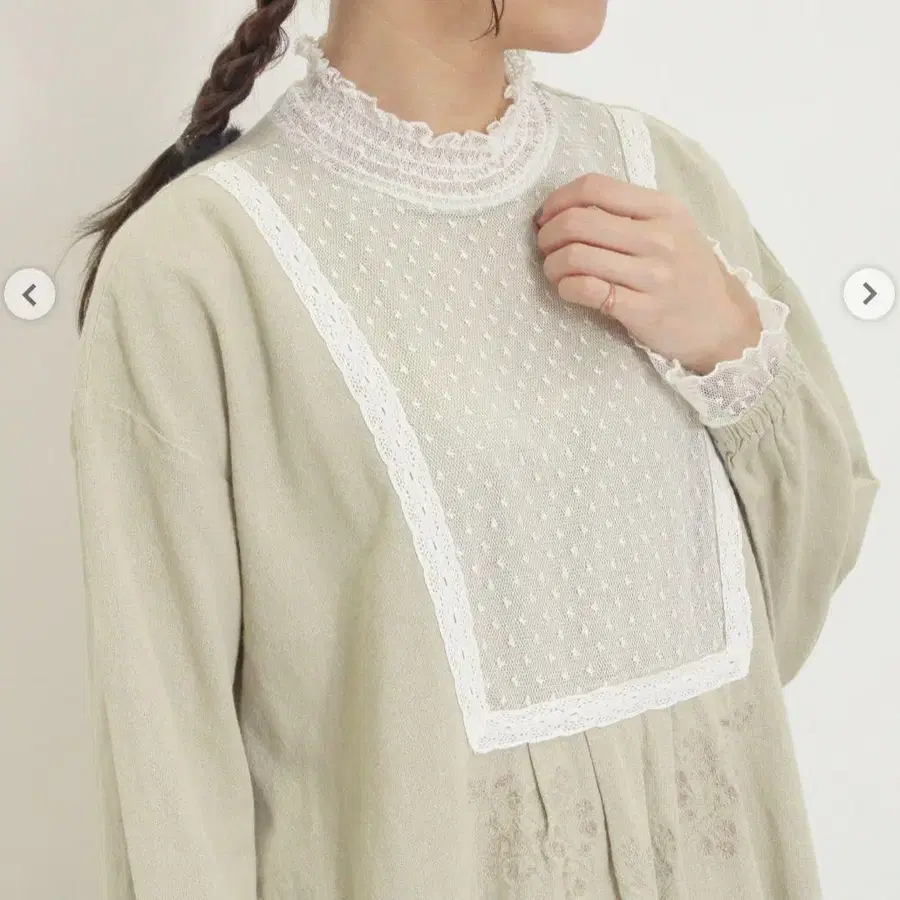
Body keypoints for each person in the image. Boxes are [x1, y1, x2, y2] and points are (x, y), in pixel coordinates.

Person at [69, 1, 880, 898]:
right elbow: (170, 761)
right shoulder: (199, 265)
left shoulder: (661, 177)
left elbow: (793, 598)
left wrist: (727, 342)